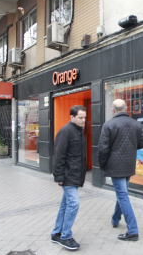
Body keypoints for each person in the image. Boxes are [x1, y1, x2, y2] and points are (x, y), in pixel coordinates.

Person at [97, 99, 143, 241]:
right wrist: (130, 149)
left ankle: (132, 230)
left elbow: (102, 149)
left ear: (113, 110)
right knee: (122, 193)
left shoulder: (108, 125)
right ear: (126, 108)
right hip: (129, 165)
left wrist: (102, 164)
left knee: (122, 196)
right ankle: (115, 219)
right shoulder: (136, 124)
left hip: (115, 167)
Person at [50, 105, 87, 250]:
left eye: (85, 117)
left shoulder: (78, 131)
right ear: (71, 117)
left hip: (75, 174)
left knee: (65, 205)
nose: (84, 120)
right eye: (80, 117)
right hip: (68, 175)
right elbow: (58, 155)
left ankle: (56, 233)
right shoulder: (66, 131)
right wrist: (58, 175)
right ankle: (65, 236)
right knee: (74, 204)